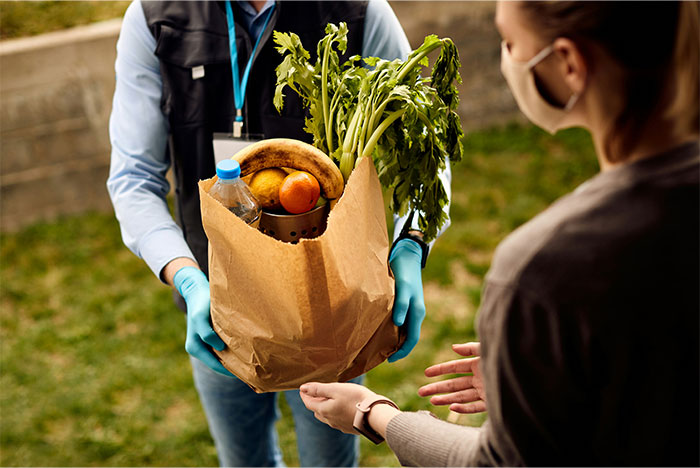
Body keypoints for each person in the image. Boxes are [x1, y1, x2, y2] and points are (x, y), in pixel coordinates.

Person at [299, 1, 700, 466]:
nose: (507, 59)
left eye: (510, 42)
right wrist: (551, 368)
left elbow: (498, 462)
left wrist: (375, 415)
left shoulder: (545, 270)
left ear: (569, 64)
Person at [107, 0, 452, 466]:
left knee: (329, 459)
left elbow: (425, 152)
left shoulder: (359, 11)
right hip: (217, 306)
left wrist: (411, 244)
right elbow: (134, 179)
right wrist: (186, 278)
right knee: (243, 459)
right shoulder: (155, 17)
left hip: (331, 307)